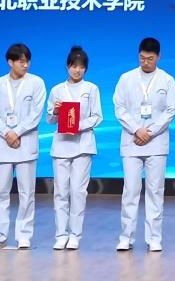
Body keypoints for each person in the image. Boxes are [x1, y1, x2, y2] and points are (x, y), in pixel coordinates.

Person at [113, 37, 175, 252]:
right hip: (132, 141)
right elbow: (119, 108)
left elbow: (171, 111)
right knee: (130, 190)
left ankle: (154, 238)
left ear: (158, 57)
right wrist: (136, 129)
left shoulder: (167, 80)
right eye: (142, 58)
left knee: (155, 191)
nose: (145, 62)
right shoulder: (126, 78)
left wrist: (149, 132)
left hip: (156, 143)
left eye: (150, 59)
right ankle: (126, 237)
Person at [0, 43, 47, 249]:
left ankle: (24, 234)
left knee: (26, 192)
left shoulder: (36, 83)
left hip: (25, 143)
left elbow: (36, 114)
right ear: (10, 62)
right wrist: (7, 133)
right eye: (21, 61)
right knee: (0, 192)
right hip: (3, 144)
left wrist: (17, 132)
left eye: (27, 61)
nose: (25, 65)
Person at [46, 46, 103, 250]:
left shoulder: (91, 89)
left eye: (81, 67)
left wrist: (78, 126)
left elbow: (97, 116)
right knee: (61, 191)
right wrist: (55, 111)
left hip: (83, 145)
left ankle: (75, 234)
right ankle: (60, 234)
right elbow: (50, 120)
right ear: (67, 66)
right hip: (61, 145)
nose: (77, 70)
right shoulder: (57, 90)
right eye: (74, 66)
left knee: (78, 191)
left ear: (86, 68)